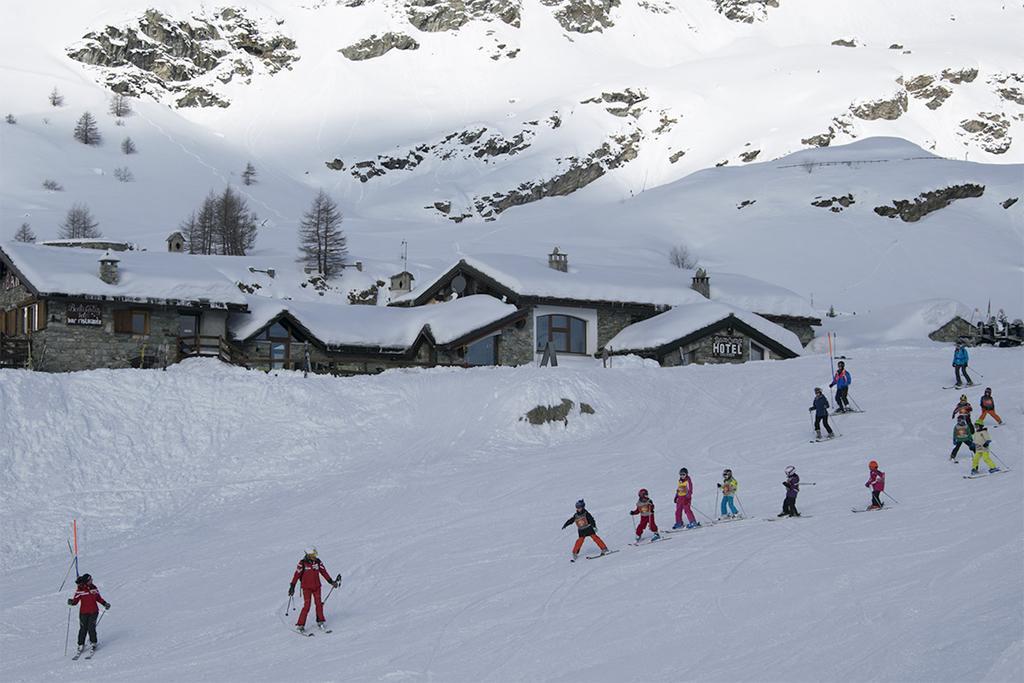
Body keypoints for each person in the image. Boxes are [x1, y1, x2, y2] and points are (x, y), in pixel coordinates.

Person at [288, 547, 339, 633]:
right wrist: (292, 586)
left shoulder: (318, 562)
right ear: (308, 555)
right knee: (307, 605)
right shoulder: (302, 563)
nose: (315, 556)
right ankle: (300, 625)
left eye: (315, 554)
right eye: (313, 555)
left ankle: (320, 621)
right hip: (306, 588)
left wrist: (331, 581)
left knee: (319, 604)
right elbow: (296, 575)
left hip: (317, 587)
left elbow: (324, 572)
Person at [68, 573, 109, 656]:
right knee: (83, 628)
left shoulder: (94, 588)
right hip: (83, 612)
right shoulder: (80, 590)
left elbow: (98, 598)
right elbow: (75, 601)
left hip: (94, 612)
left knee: (91, 628)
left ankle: (93, 642)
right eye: (90, 580)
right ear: (87, 581)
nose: (92, 580)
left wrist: (105, 603)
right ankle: (80, 644)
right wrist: (71, 602)